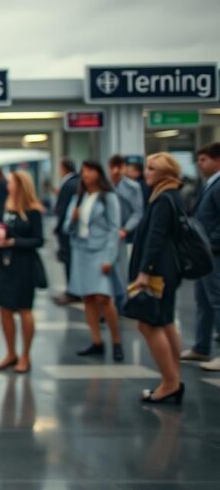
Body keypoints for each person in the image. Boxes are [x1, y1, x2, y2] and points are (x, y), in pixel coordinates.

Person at [129, 153, 186, 403]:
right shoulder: (173, 195)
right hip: (169, 269)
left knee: (148, 324)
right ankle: (173, 377)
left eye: (152, 168)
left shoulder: (163, 199)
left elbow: (156, 237)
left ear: (165, 173)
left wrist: (144, 271)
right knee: (166, 321)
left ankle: (169, 383)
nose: (146, 173)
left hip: (157, 271)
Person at [64, 161, 124, 361]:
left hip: (100, 251)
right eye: (83, 171)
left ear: (99, 173)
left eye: (90, 170)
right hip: (81, 251)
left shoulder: (108, 197)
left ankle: (116, 341)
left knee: (103, 297)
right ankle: (96, 341)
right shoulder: (78, 198)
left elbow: (114, 229)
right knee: (88, 297)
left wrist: (109, 258)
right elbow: (66, 227)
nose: (86, 174)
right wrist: (73, 219)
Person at [0, 170, 46, 375]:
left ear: (21, 185)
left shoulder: (33, 210)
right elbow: (2, 226)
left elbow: (38, 240)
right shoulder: (7, 207)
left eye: (11, 183)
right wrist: (0, 235)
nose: (8, 186)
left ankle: (25, 355)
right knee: (4, 309)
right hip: (5, 264)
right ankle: (10, 353)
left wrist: (14, 242)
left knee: (24, 309)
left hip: (24, 265)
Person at [181, 143, 220, 368]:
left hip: (214, 252)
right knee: (203, 300)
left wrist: (210, 243)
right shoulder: (209, 184)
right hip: (204, 253)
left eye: (204, 159)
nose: (199, 164)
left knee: (217, 300)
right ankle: (201, 347)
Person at [108, 154, 145, 311]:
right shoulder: (105, 185)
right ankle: (108, 304)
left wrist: (126, 229)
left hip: (125, 234)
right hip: (107, 233)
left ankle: (122, 303)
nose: (116, 171)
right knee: (107, 270)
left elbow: (138, 211)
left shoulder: (132, 187)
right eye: (113, 167)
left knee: (122, 270)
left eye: (119, 167)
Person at [52, 159, 81, 306]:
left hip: (67, 228)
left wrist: (58, 227)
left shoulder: (70, 183)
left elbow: (63, 208)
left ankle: (73, 292)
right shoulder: (74, 182)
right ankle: (73, 290)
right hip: (69, 227)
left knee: (69, 259)